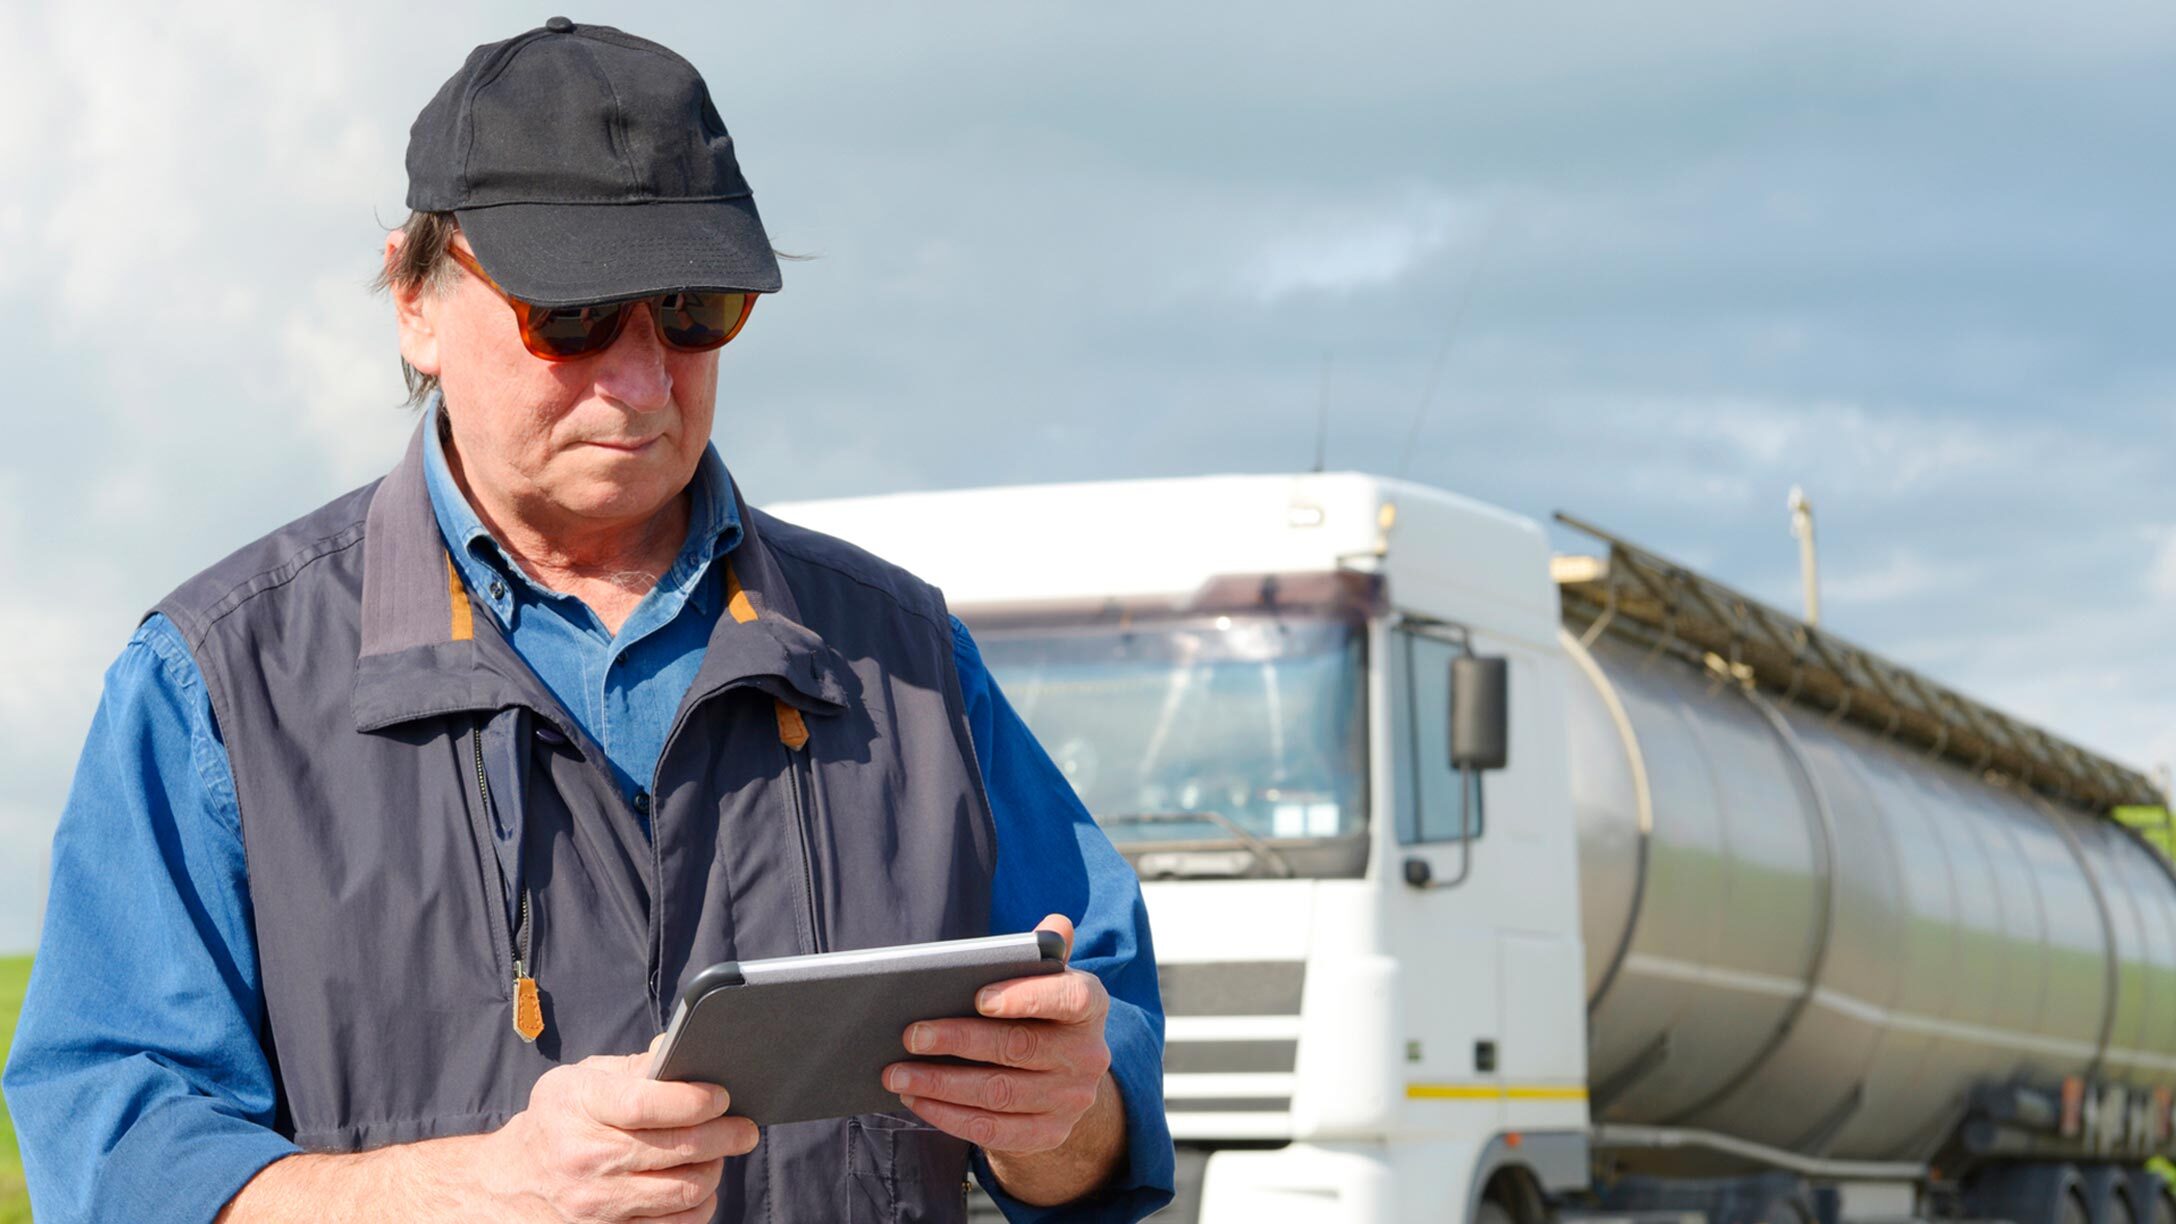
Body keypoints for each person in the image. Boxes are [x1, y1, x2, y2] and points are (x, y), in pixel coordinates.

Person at [2, 18, 1172, 1224]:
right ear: (415, 298)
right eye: (572, 315)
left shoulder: (907, 658)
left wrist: (1065, 1117)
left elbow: (1108, 1070)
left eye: (694, 308)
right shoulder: (215, 684)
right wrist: (475, 1192)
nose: (641, 378)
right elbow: (116, 1161)